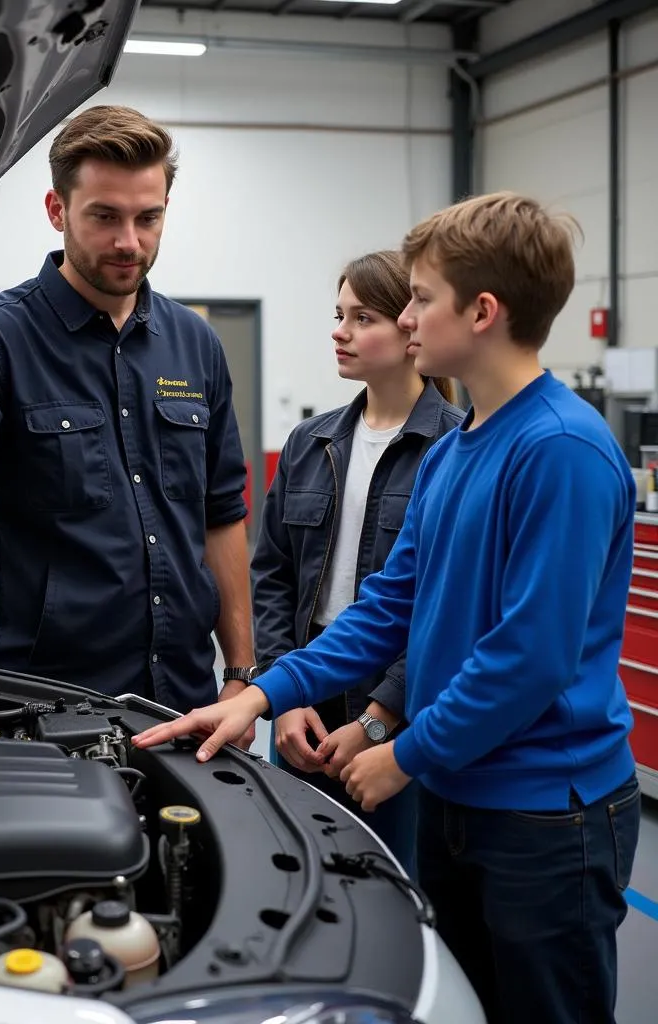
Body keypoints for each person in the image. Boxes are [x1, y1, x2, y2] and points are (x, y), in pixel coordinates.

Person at [132, 191, 642, 1024]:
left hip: (548, 816)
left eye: (420, 298)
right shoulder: (457, 451)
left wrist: (401, 754)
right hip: (458, 792)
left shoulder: (561, 451)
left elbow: (530, 658)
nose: (406, 318)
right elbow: (383, 611)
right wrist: (260, 695)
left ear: (481, 312)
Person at [0, 105, 256, 753]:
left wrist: (241, 675)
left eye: (149, 217)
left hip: (184, 698)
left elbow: (221, 515)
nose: (129, 242)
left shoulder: (196, 344)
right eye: (104, 216)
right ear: (57, 210)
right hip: (42, 706)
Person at [252, 249, 463, 877]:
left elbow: (435, 605)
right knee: (300, 870)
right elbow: (271, 575)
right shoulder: (309, 443)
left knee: (390, 880)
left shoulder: (453, 448)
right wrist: (282, 693)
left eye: (361, 317)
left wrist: (382, 718)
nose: (339, 332)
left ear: (410, 328)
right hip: (308, 685)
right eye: (338, 314)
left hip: (401, 694)